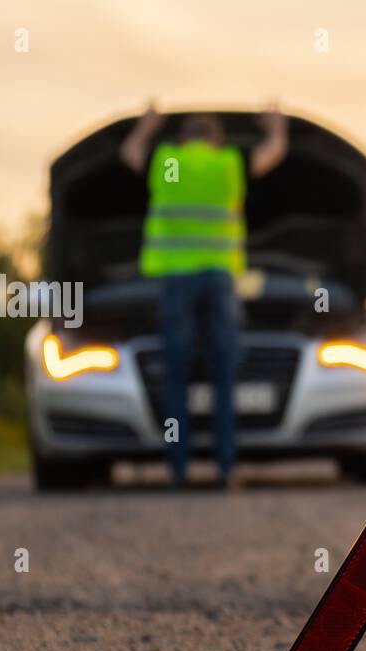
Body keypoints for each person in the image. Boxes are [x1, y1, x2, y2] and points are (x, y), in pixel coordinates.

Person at [119, 103, 289, 488]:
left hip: (176, 281)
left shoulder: (166, 162)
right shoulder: (228, 163)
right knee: (223, 374)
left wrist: (147, 126)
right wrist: (276, 127)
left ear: (183, 139)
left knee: (176, 376)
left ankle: (177, 470)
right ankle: (225, 468)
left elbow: (129, 153)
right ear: (216, 140)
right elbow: (273, 153)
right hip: (218, 278)